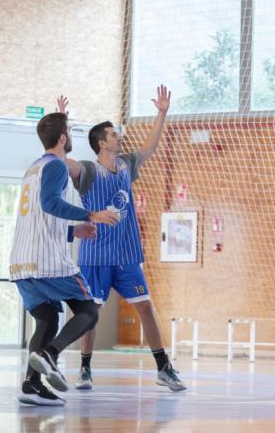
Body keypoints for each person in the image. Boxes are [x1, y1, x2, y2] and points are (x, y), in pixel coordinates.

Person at [58, 86, 185, 392]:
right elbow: (62, 159)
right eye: (113, 134)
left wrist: (162, 112)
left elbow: (151, 148)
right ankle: (85, 368)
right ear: (101, 142)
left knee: (145, 307)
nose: (119, 137)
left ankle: (163, 367)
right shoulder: (87, 171)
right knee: (90, 313)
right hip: (95, 255)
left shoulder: (127, 163)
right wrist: (63, 123)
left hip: (127, 254)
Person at [10, 112, 119, 406]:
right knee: (89, 310)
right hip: (48, 260)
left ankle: (31, 385)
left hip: (21, 261)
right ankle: (51, 354)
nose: (71, 136)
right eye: (69, 131)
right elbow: (50, 204)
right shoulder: (57, 166)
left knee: (46, 319)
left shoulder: (33, 168)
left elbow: (39, 216)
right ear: (62, 138)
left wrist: (74, 233)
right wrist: (90, 214)